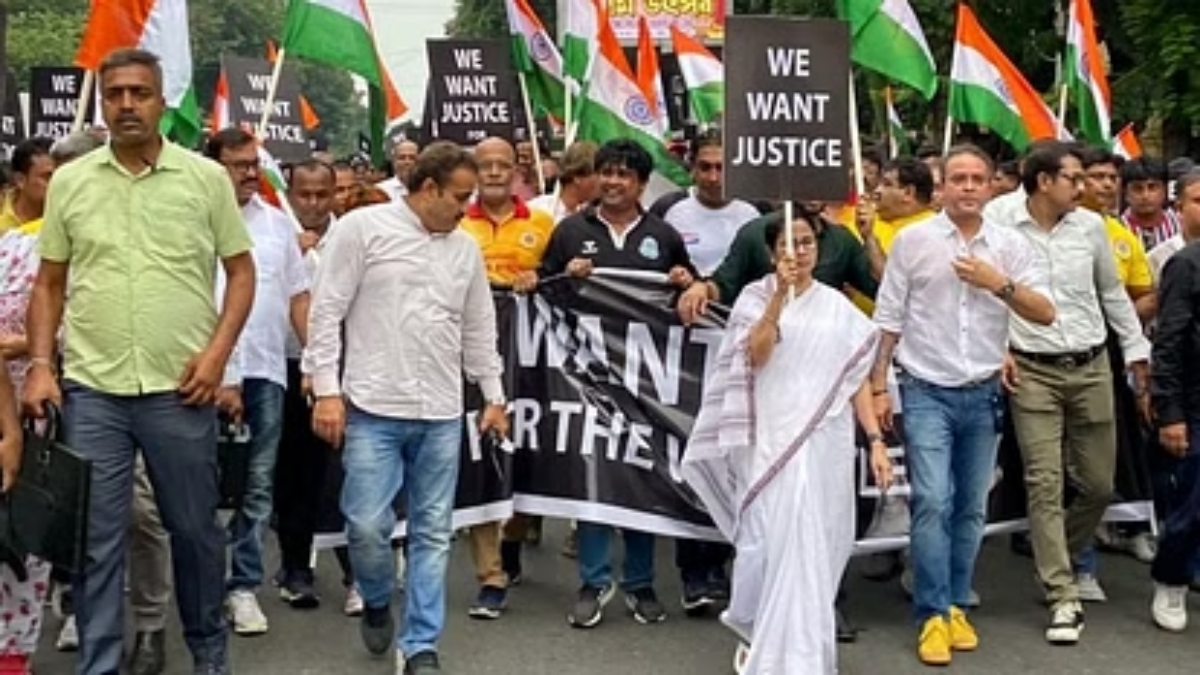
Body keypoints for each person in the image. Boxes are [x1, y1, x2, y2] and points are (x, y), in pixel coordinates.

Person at [22, 48, 256, 675]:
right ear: (103, 102)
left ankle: (209, 652)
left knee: (195, 532)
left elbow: (240, 274)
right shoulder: (71, 181)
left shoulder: (204, 180)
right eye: (115, 94)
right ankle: (99, 666)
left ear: (161, 101)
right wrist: (42, 364)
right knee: (97, 542)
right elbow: (48, 283)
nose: (127, 104)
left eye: (139, 93)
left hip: (181, 391)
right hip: (93, 389)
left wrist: (217, 358)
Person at [304, 141, 508, 675]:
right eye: (459, 197)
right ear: (427, 189)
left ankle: (421, 645)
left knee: (433, 531)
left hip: (441, 411)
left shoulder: (463, 248)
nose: (466, 208)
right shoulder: (362, 230)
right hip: (372, 408)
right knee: (367, 526)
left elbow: (479, 326)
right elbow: (326, 312)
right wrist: (326, 389)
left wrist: (493, 396)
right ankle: (375, 598)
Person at [682, 211, 892, 675]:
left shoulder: (836, 306)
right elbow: (756, 355)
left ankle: (804, 655)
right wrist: (779, 295)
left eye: (806, 243)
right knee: (764, 542)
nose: (797, 252)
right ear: (772, 251)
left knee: (815, 543)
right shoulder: (753, 299)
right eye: (787, 244)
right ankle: (758, 630)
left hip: (824, 441)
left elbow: (853, 378)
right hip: (768, 438)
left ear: (818, 248)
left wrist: (875, 441)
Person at [872, 145, 1055, 666]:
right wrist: (880, 385)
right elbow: (888, 317)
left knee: (971, 507)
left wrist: (999, 284)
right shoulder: (913, 240)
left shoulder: (1010, 246)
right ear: (942, 186)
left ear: (993, 184)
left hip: (984, 392)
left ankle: (955, 603)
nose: (969, 187)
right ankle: (930, 612)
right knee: (933, 499)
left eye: (979, 178)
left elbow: (1045, 312)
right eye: (959, 178)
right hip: (926, 388)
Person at [989, 141, 1151, 646]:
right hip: (1030, 368)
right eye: (1075, 179)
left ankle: (1052, 556)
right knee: (1044, 480)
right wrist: (999, 348)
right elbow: (984, 291)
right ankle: (1062, 593)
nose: (1085, 188)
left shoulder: (1091, 227)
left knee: (1100, 483)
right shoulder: (999, 219)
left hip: (1091, 363)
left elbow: (1110, 293)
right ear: (1044, 182)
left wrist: (1136, 348)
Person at [539, 139, 697, 629]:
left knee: (641, 477)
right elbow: (542, 294)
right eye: (606, 172)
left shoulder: (663, 236)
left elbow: (690, 298)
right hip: (586, 379)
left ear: (641, 184)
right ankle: (593, 580)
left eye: (624, 175)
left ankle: (641, 582)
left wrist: (685, 280)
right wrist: (565, 277)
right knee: (595, 478)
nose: (612, 182)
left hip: (646, 384)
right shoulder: (569, 232)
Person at [204, 127, 311, 637]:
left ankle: (242, 585)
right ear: (213, 166)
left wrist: (317, 364)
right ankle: (201, 584)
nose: (251, 173)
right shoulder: (191, 223)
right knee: (200, 487)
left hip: (266, 372)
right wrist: (221, 372)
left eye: (254, 163)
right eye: (239, 164)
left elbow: (298, 297)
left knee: (257, 486)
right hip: (201, 376)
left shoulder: (275, 225)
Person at [456, 137, 554, 620]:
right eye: (484, 165)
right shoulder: (455, 222)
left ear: (517, 170)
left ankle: (514, 539)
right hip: (470, 359)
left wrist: (545, 280)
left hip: (530, 359)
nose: (493, 172)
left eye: (502, 165)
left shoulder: (543, 224)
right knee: (481, 458)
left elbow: (563, 286)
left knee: (526, 456)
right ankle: (490, 575)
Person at [0, 136, 65, 675]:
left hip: (46, 409)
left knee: (25, 539)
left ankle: (16, 654)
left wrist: (33, 349)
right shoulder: (8, 245)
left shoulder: (66, 246)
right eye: (47, 177)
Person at [272, 159, 341, 612]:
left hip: (341, 371)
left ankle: (356, 570)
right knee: (292, 473)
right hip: (287, 367)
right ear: (292, 192)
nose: (313, 204)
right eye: (304, 194)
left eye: (322, 194)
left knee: (341, 474)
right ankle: (296, 568)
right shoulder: (275, 234)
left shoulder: (353, 236)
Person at [1148, 194, 1200, 633]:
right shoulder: (1186, 265)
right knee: (1190, 506)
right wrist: (1170, 411)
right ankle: (1171, 579)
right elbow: (1169, 341)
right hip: (1194, 403)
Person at [653, 130, 760, 279]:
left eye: (721, 168)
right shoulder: (666, 208)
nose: (713, 178)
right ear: (693, 168)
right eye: (705, 167)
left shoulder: (754, 213)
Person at [527, 141, 599, 223]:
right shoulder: (537, 211)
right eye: (597, 173)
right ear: (577, 177)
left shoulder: (592, 215)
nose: (601, 180)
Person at [1121, 157, 1179, 252]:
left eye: (1152, 187)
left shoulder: (1181, 225)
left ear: (1165, 190)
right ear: (1126, 194)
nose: (1145, 195)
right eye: (1137, 188)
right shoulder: (1115, 228)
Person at [0, 137, 53, 232]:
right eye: (47, 177)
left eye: (60, 175)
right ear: (20, 180)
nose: (56, 182)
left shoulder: (68, 217)